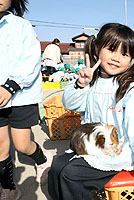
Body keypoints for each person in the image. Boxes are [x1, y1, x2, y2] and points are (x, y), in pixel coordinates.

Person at [48, 23, 134, 200]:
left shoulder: (130, 88)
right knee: (57, 166)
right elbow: (71, 104)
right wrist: (80, 84)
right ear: (97, 48)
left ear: (131, 60)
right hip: (93, 146)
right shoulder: (91, 80)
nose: (116, 58)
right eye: (111, 49)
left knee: (70, 175)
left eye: (124, 54)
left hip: (117, 151)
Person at [0, 0, 53, 199]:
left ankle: (41, 159)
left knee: (22, 145)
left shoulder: (21, 26)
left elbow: (31, 59)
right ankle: (9, 187)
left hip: (21, 95)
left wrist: (10, 86)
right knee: (1, 147)